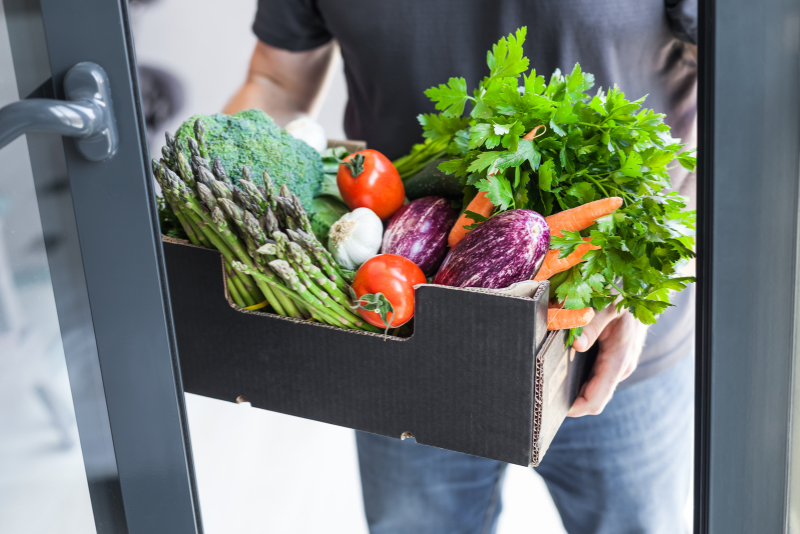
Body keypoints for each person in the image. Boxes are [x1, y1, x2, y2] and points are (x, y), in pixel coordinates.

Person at [226, 1, 698, 532]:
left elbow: (739, 99)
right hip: (402, 338)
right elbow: (276, 80)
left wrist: (640, 271)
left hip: (603, 334)